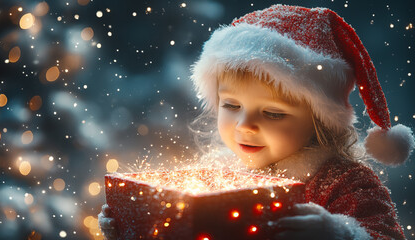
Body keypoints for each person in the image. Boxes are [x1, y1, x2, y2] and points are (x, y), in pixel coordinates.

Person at [99, 4, 414, 240]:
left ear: (320, 119)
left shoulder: (342, 183)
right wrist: (134, 225)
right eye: (232, 105)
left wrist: (338, 233)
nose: (244, 125)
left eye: (273, 113)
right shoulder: (221, 174)